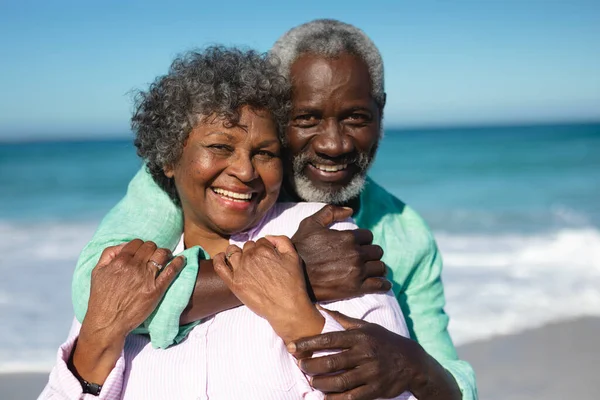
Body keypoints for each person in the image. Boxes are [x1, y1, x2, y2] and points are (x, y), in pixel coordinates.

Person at [71, 19, 477, 400]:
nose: (334, 145)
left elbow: (448, 375)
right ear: (273, 114)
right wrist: (292, 269)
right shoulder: (179, 185)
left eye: (356, 118)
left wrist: (416, 367)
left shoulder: (402, 231)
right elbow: (100, 294)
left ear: (381, 113)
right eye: (307, 118)